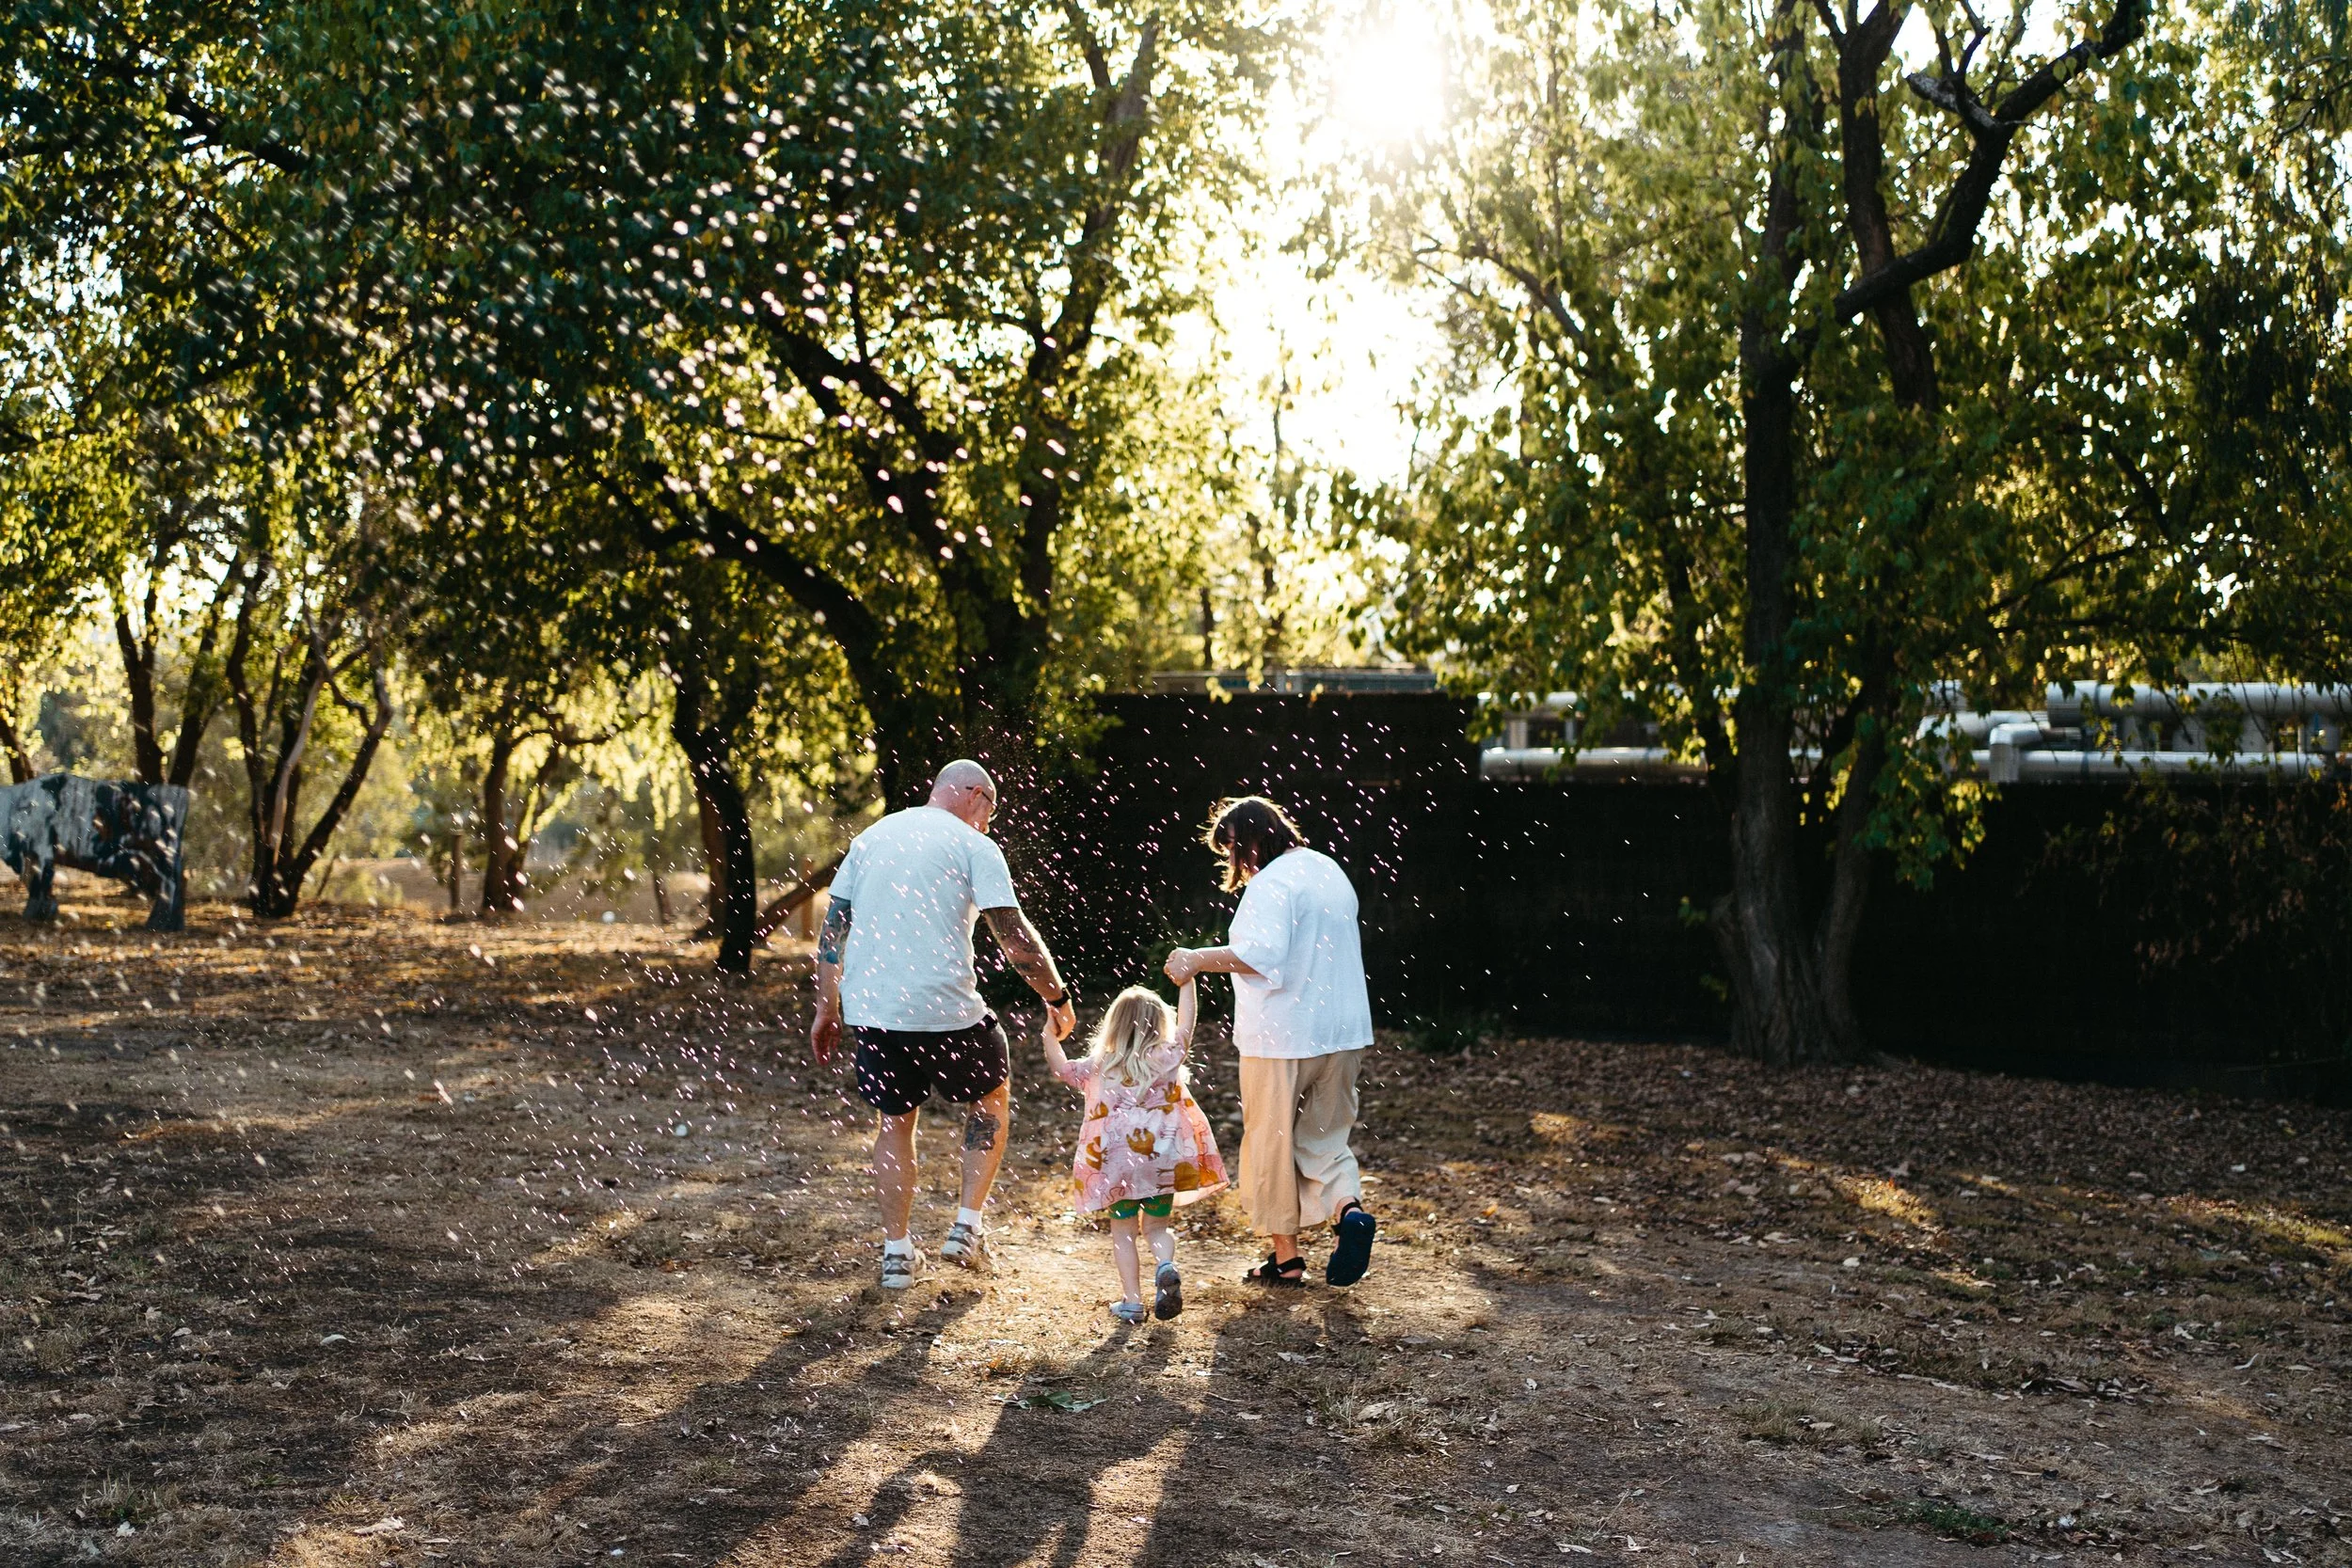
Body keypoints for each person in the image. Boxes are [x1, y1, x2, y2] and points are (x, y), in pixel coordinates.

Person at [810, 760, 1077, 1289]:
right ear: (976, 795)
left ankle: (896, 1253)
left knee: (895, 1123)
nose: (988, 824)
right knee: (992, 1097)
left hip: (876, 1015)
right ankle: (967, 1228)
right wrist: (1057, 995)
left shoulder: (871, 838)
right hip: (947, 1011)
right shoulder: (975, 846)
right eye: (989, 812)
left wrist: (826, 1007)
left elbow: (833, 929)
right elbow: (1014, 936)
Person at [1166, 796, 1377, 1288]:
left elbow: (1261, 955)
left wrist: (1196, 958)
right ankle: (1350, 1213)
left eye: (1232, 848)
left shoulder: (1271, 882)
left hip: (1282, 1037)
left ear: (1251, 838)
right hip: (1343, 1031)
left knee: (1271, 1144)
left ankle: (1286, 1260)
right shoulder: (1328, 870)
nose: (1233, 862)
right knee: (1326, 1138)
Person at [1042, 981, 1229, 1323]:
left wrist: (1049, 1035)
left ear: (1113, 1024)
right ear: (1160, 1024)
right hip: (1163, 1162)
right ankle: (1165, 1265)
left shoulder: (1100, 1063)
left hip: (1117, 1166)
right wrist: (1187, 982)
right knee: (1156, 1229)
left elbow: (1061, 1068)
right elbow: (1188, 1022)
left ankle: (1132, 1302)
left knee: (1123, 1233)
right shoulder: (1168, 1055)